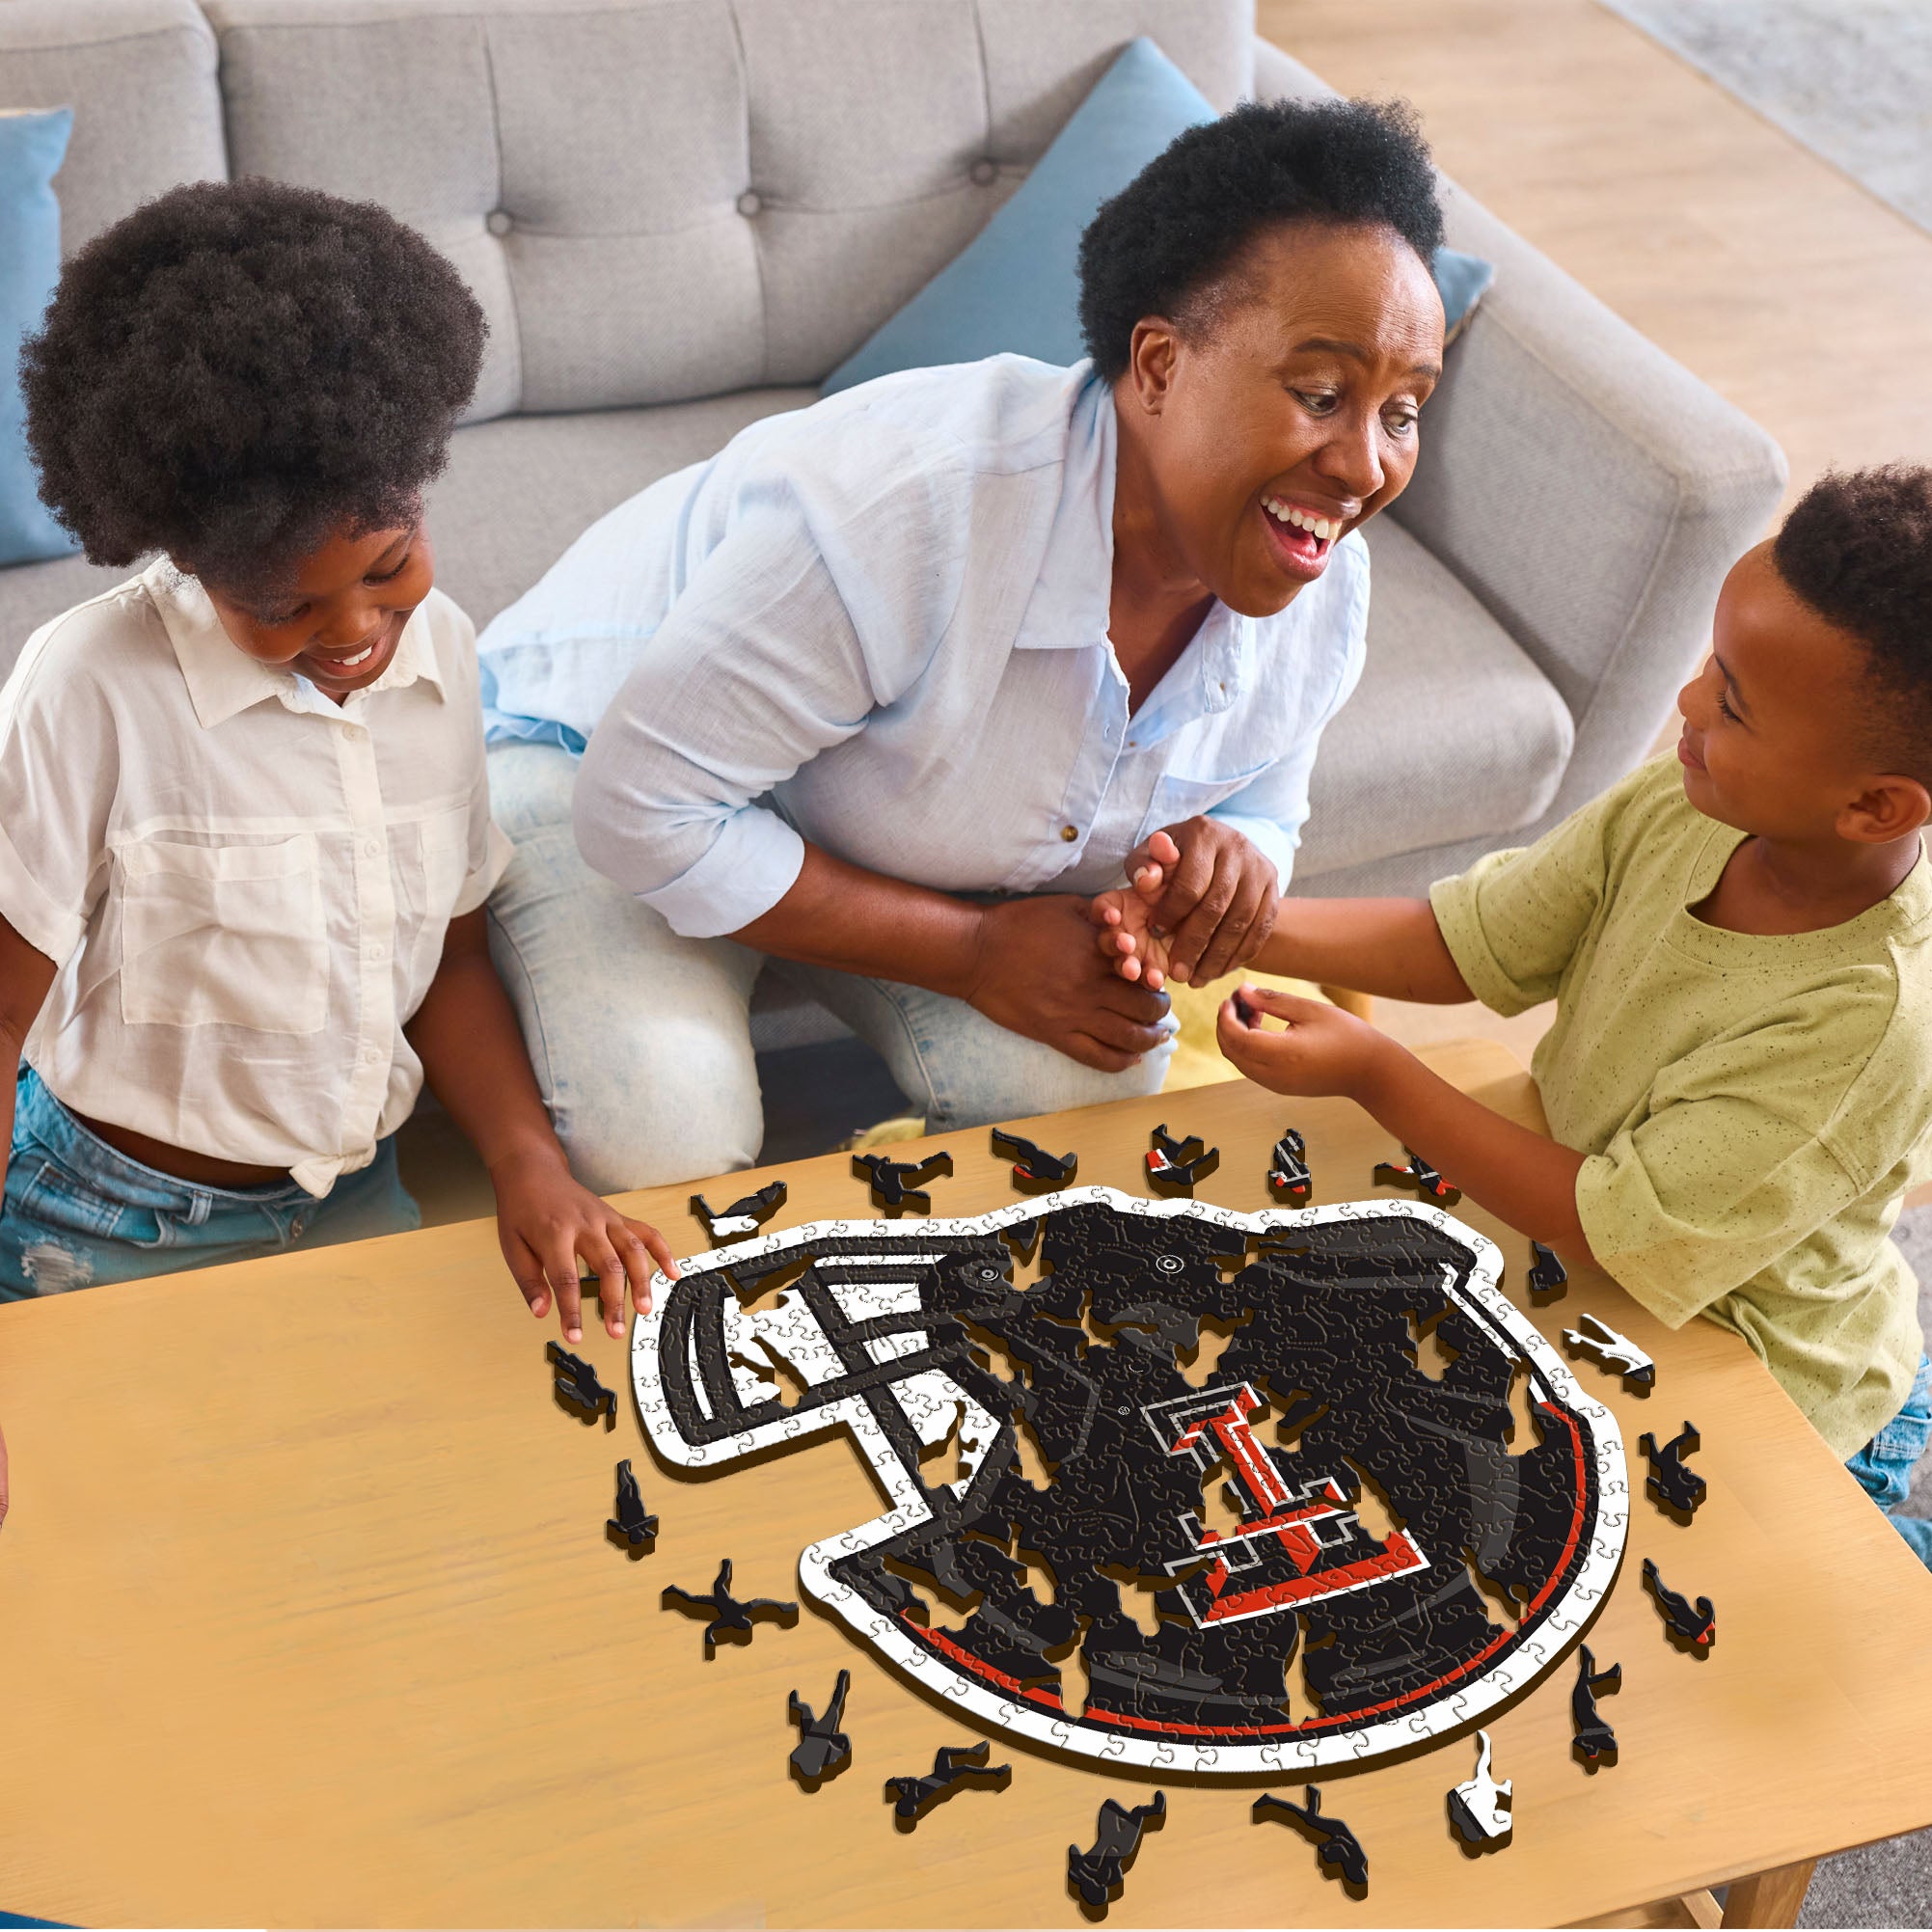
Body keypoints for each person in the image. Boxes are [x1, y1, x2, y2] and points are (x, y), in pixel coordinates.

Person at [476, 96, 1450, 1188]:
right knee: (665, 1143)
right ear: (1159, 365)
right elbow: (641, 808)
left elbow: (1263, 805)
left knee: (1099, 1073)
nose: (1365, 466)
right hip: (596, 757)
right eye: (1320, 394)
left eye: (1402, 411)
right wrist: (973, 952)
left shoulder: (1318, 583)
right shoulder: (909, 511)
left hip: (855, 828)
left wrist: (1230, 857)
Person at [1096, 468, 1932, 1565]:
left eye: (1731, 704)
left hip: (1773, 1378)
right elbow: (1474, 939)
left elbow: (1611, 1219)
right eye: (1709, 666)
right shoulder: (1691, 797)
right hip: (1601, 1252)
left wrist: (1376, 1072)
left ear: (1871, 804)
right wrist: (1231, 920)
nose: (1686, 704)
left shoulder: (1865, 1023)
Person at [0, 179, 677, 1351]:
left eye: (389, 565)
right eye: (284, 605)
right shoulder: (89, 686)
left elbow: (448, 958)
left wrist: (528, 1160)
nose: (358, 630)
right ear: (189, 557)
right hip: (108, 1224)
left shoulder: (442, 650)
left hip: (352, 1197)